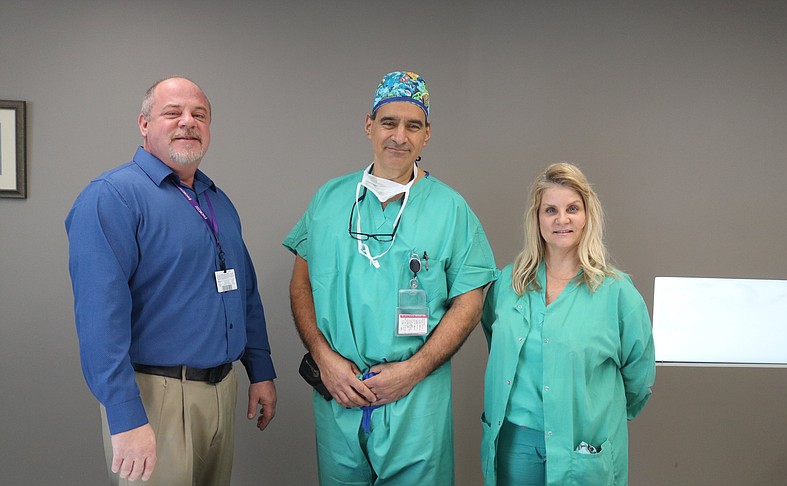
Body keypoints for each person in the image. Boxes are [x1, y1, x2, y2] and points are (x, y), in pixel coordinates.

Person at [283, 71, 498, 485]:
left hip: (414, 399)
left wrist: (413, 370)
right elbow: (301, 284)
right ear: (369, 125)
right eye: (389, 123)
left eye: (412, 125)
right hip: (339, 393)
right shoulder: (329, 200)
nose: (399, 136)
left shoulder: (450, 210)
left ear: (427, 134)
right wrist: (324, 358)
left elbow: (470, 303)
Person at [65, 76, 277, 485]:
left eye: (199, 115)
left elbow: (244, 292)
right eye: (172, 113)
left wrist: (261, 370)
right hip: (154, 396)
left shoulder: (217, 200)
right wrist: (125, 418)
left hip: (221, 390)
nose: (188, 122)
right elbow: (98, 321)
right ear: (144, 124)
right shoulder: (112, 196)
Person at [480, 162, 655, 485]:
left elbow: (639, 377)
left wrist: (594, 411)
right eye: (550, 210)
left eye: (572, 208)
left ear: (588, 215)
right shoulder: (507, 284)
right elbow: (497, 340)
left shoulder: (617, 294)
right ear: (537, 218)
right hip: (516, 444)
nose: (562, 219)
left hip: (583, 443)